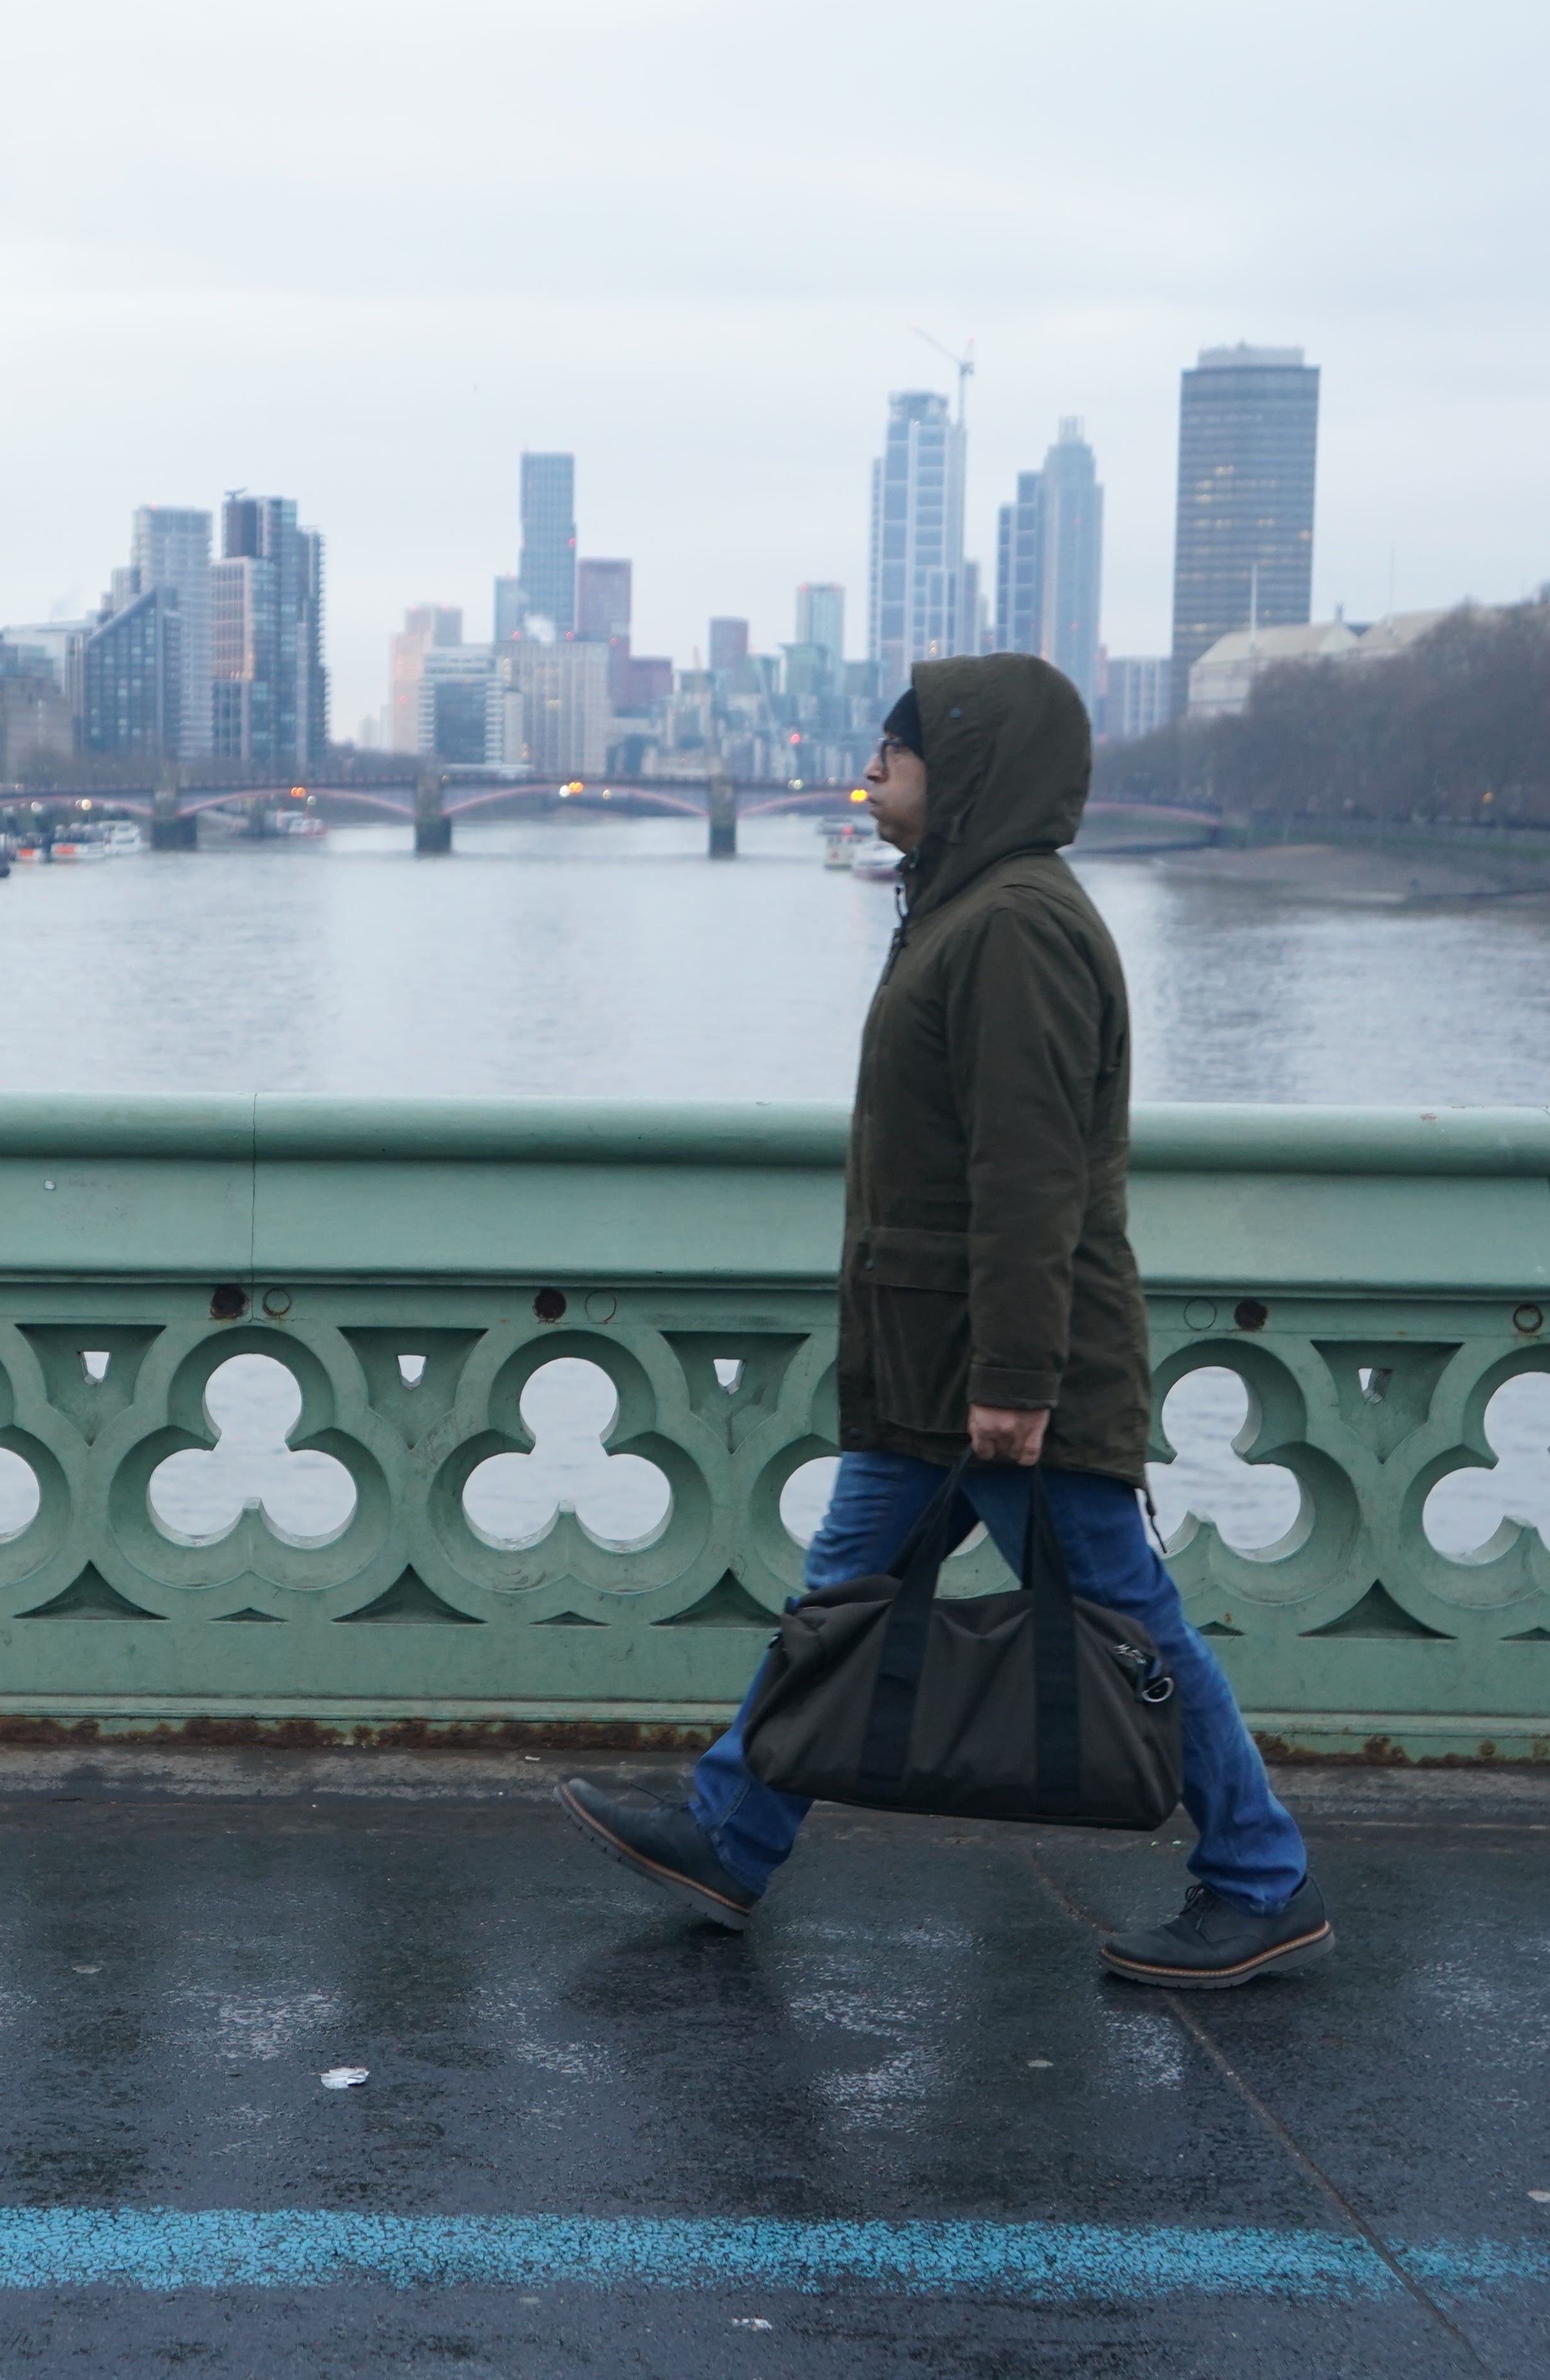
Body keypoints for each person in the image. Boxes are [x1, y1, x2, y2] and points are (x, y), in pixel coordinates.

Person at [556, 654, 1328, 1989]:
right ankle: (731, 1835)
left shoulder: (1015, 925)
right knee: (841, 1598)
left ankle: (1261, 1878)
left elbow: (1028, 1174)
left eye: (890, 758)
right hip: (936, 1358)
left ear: (961, 771)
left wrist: (1021, 1377)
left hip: (1007, 1368)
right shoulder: (967, 905)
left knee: (1126, 1622)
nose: (869, 778)